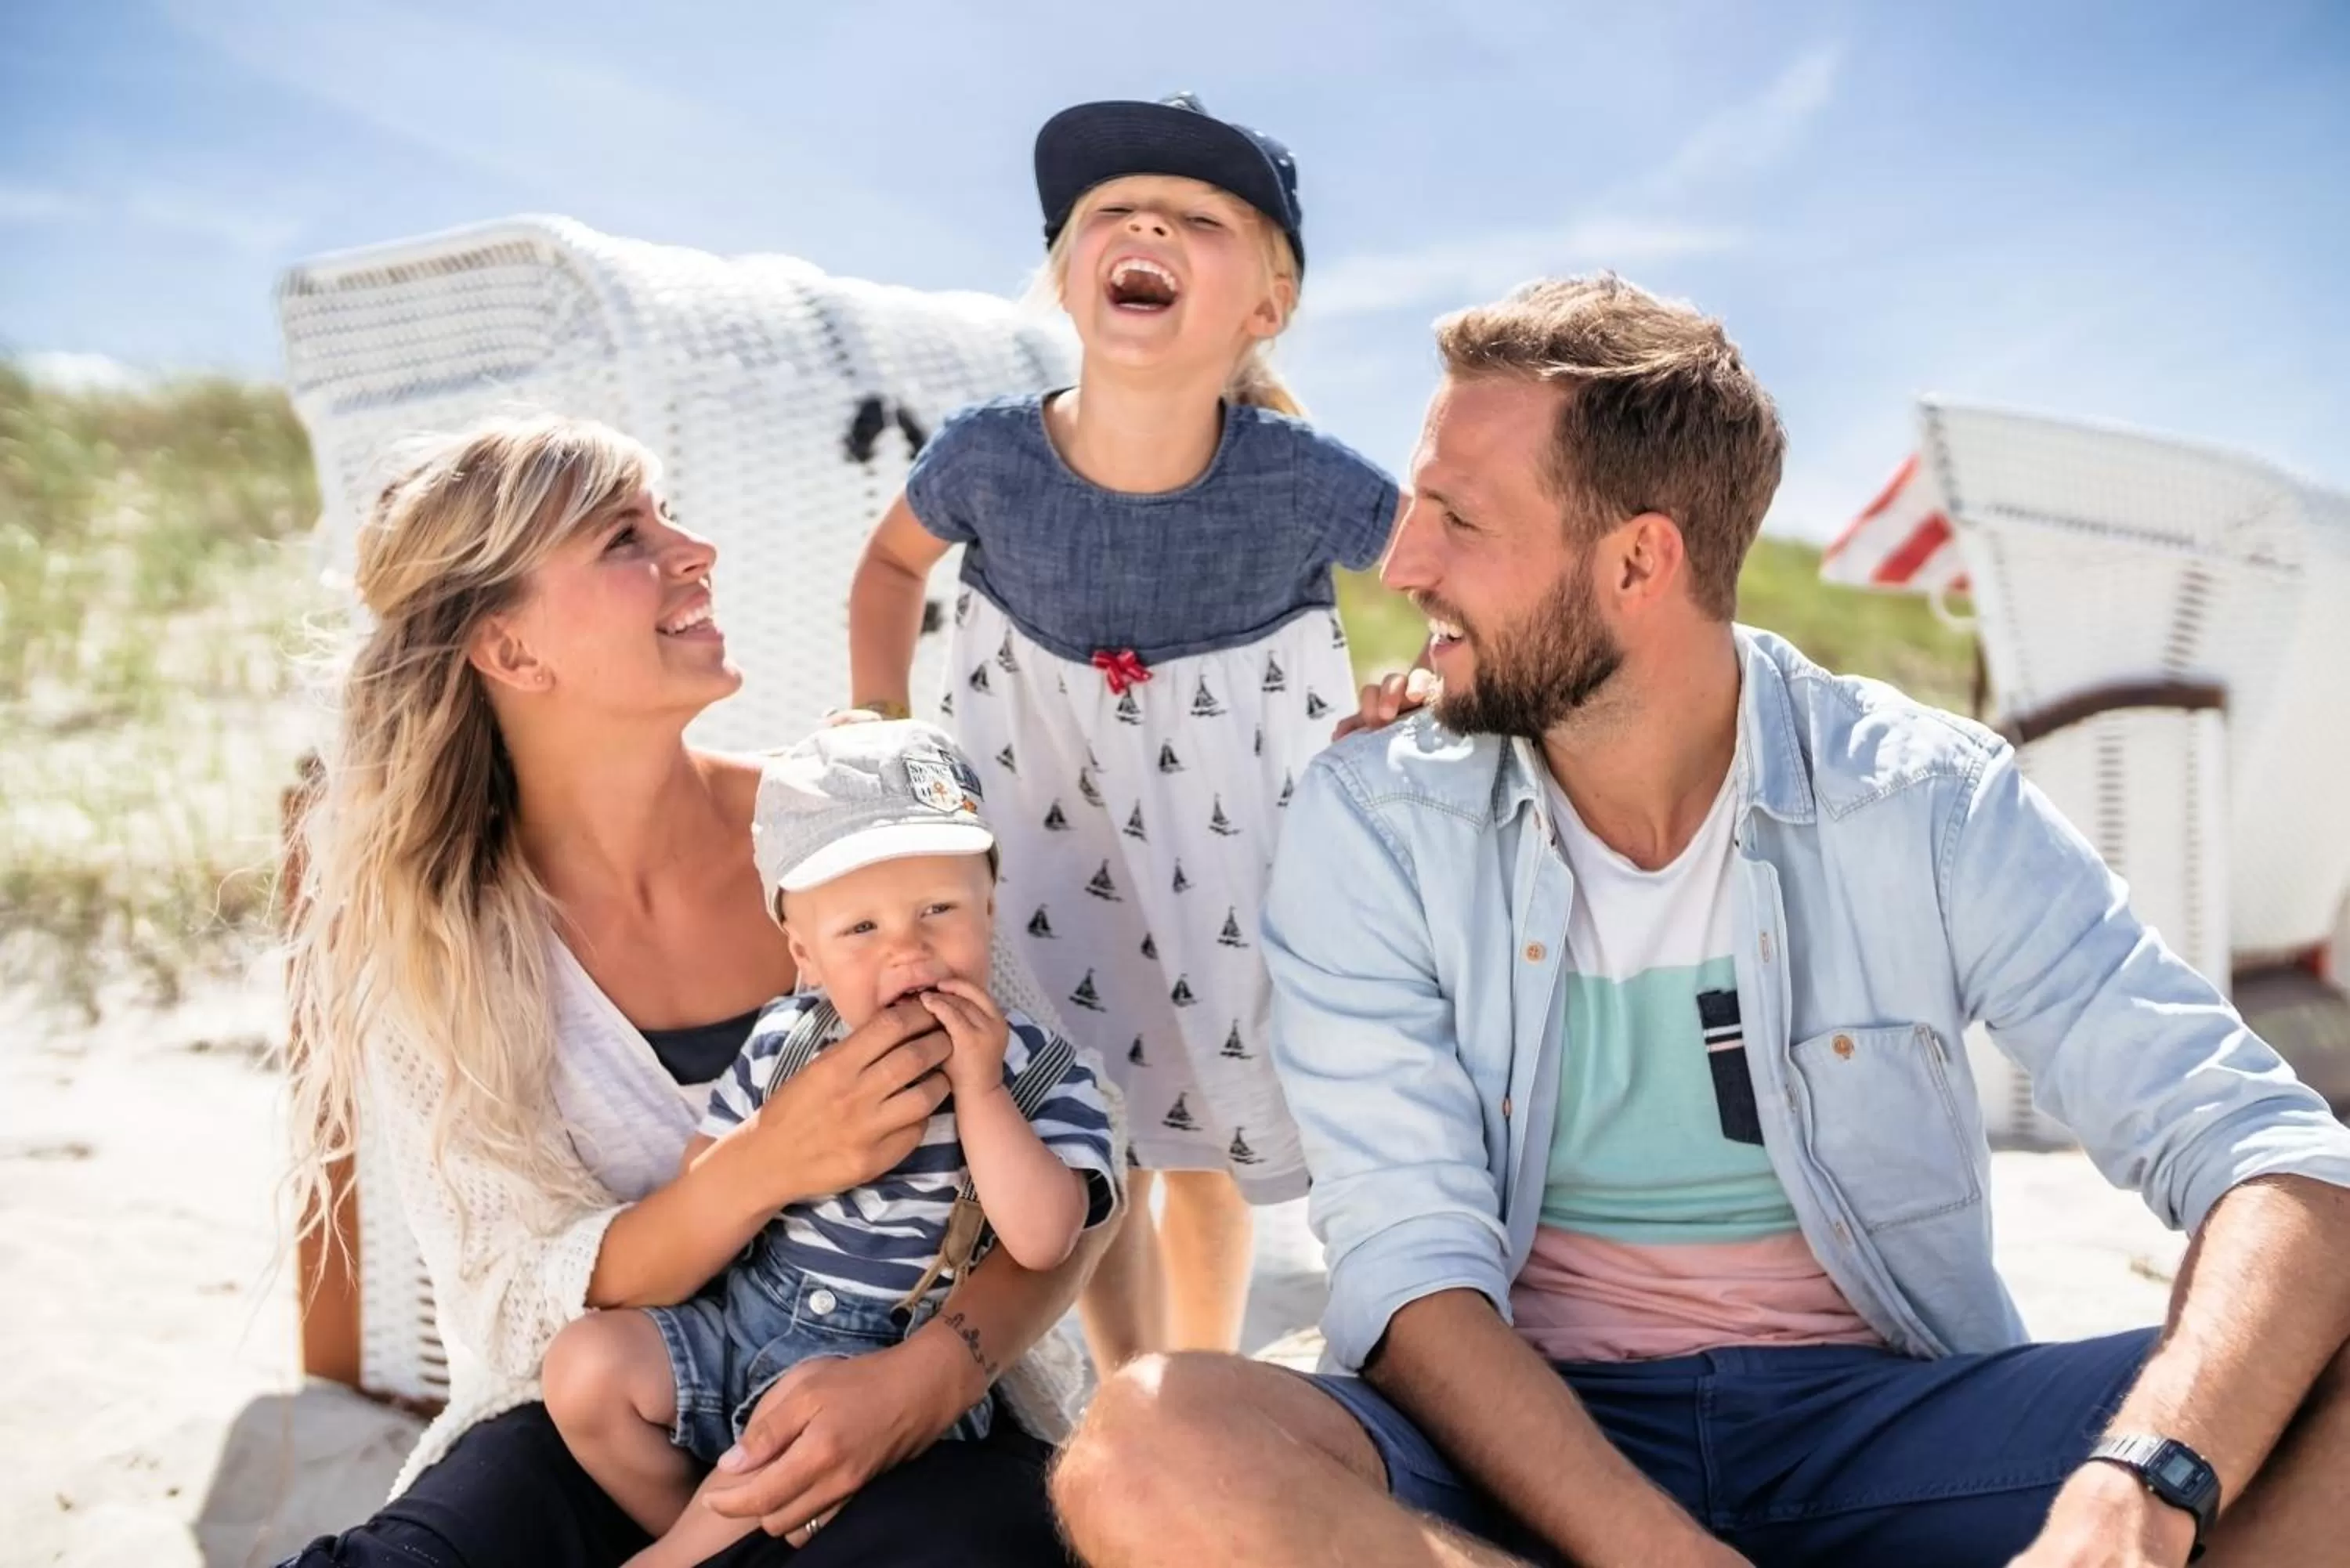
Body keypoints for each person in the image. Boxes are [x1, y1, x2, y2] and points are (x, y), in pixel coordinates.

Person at [1051, 276, 2350, 1567]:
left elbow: (2276, 1156)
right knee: (1150, 1446)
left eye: (1459, 517)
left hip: (1885, 1423)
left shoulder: (1925, 800)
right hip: (1515, 1441)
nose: (1402, 565)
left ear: (1638, 560)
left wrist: (2140, 1486)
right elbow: (1412, 1270)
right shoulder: (1374, 820)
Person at [282, 416, 1118, 1568]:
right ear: (513, 651)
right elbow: (516, 1305)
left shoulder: (856, 829)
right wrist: (766, 1166)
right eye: (628, 535)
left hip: (923, 1418)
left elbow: (1078, 1165)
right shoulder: (442, 940)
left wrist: (929, 1378)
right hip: (612, 1421)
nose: (696, 549)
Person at [847, 92, 1403, 1368]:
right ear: (1066, 272)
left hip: (1224, 838)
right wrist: (880, 725)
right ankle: (1123, 1383)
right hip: (1042, 821)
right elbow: (888, 570)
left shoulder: (1301, 476)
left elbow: (1462, 570)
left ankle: (1200, 1382)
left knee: (1200, 1134)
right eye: (1108, 210)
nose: (1145, 217)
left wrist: (1427, 687)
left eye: (1201, 215)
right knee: (1088, 1121)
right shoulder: (993, 456)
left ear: (1266, 307)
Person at [540, 721, 1119, 1567]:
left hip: (881, 1365)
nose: (908, 949)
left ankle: (685, 1553)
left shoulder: (1037, 1068)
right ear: (804, 955)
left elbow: (1045, 1238)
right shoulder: (785, 1041)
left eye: (938, 911)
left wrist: (983, 1093)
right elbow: (704, 1185)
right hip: (746, 1320)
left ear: (989, 908)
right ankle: (691, 1530)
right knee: (585, 1368)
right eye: (862, 930)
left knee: (795, 1422)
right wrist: (780, 1151)